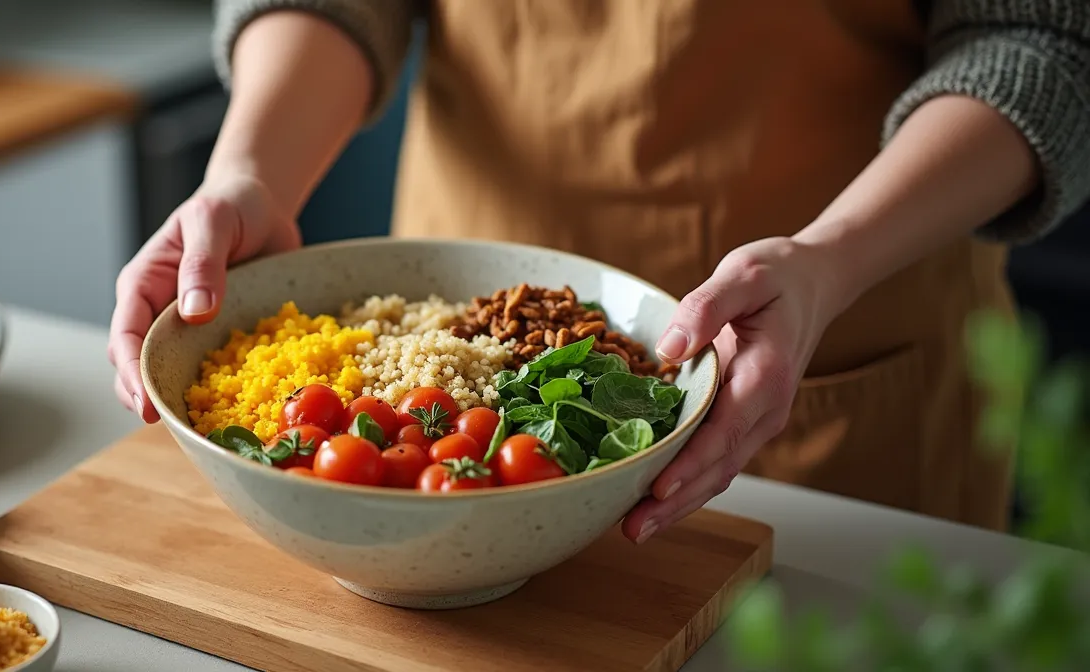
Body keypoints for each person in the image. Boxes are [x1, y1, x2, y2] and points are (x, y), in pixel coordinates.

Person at [109, 1, 1090, 541]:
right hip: (457, 316)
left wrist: (831, 261)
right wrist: (249, 172)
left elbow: (1042, 39)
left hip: (843, 307)